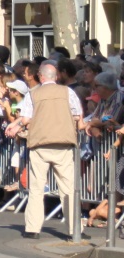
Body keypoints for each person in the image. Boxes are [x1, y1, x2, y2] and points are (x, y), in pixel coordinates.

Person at [8, 60, 83, 239]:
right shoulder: (68, 92)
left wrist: (16, 125)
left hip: (40, 143)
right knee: (68, 188)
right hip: (63, 143)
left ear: (40, 76)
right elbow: (77, 114)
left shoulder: (34, 94)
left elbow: (26, 118)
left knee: (36, 187)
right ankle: (75, 229)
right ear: (56, 76)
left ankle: (33, 228)